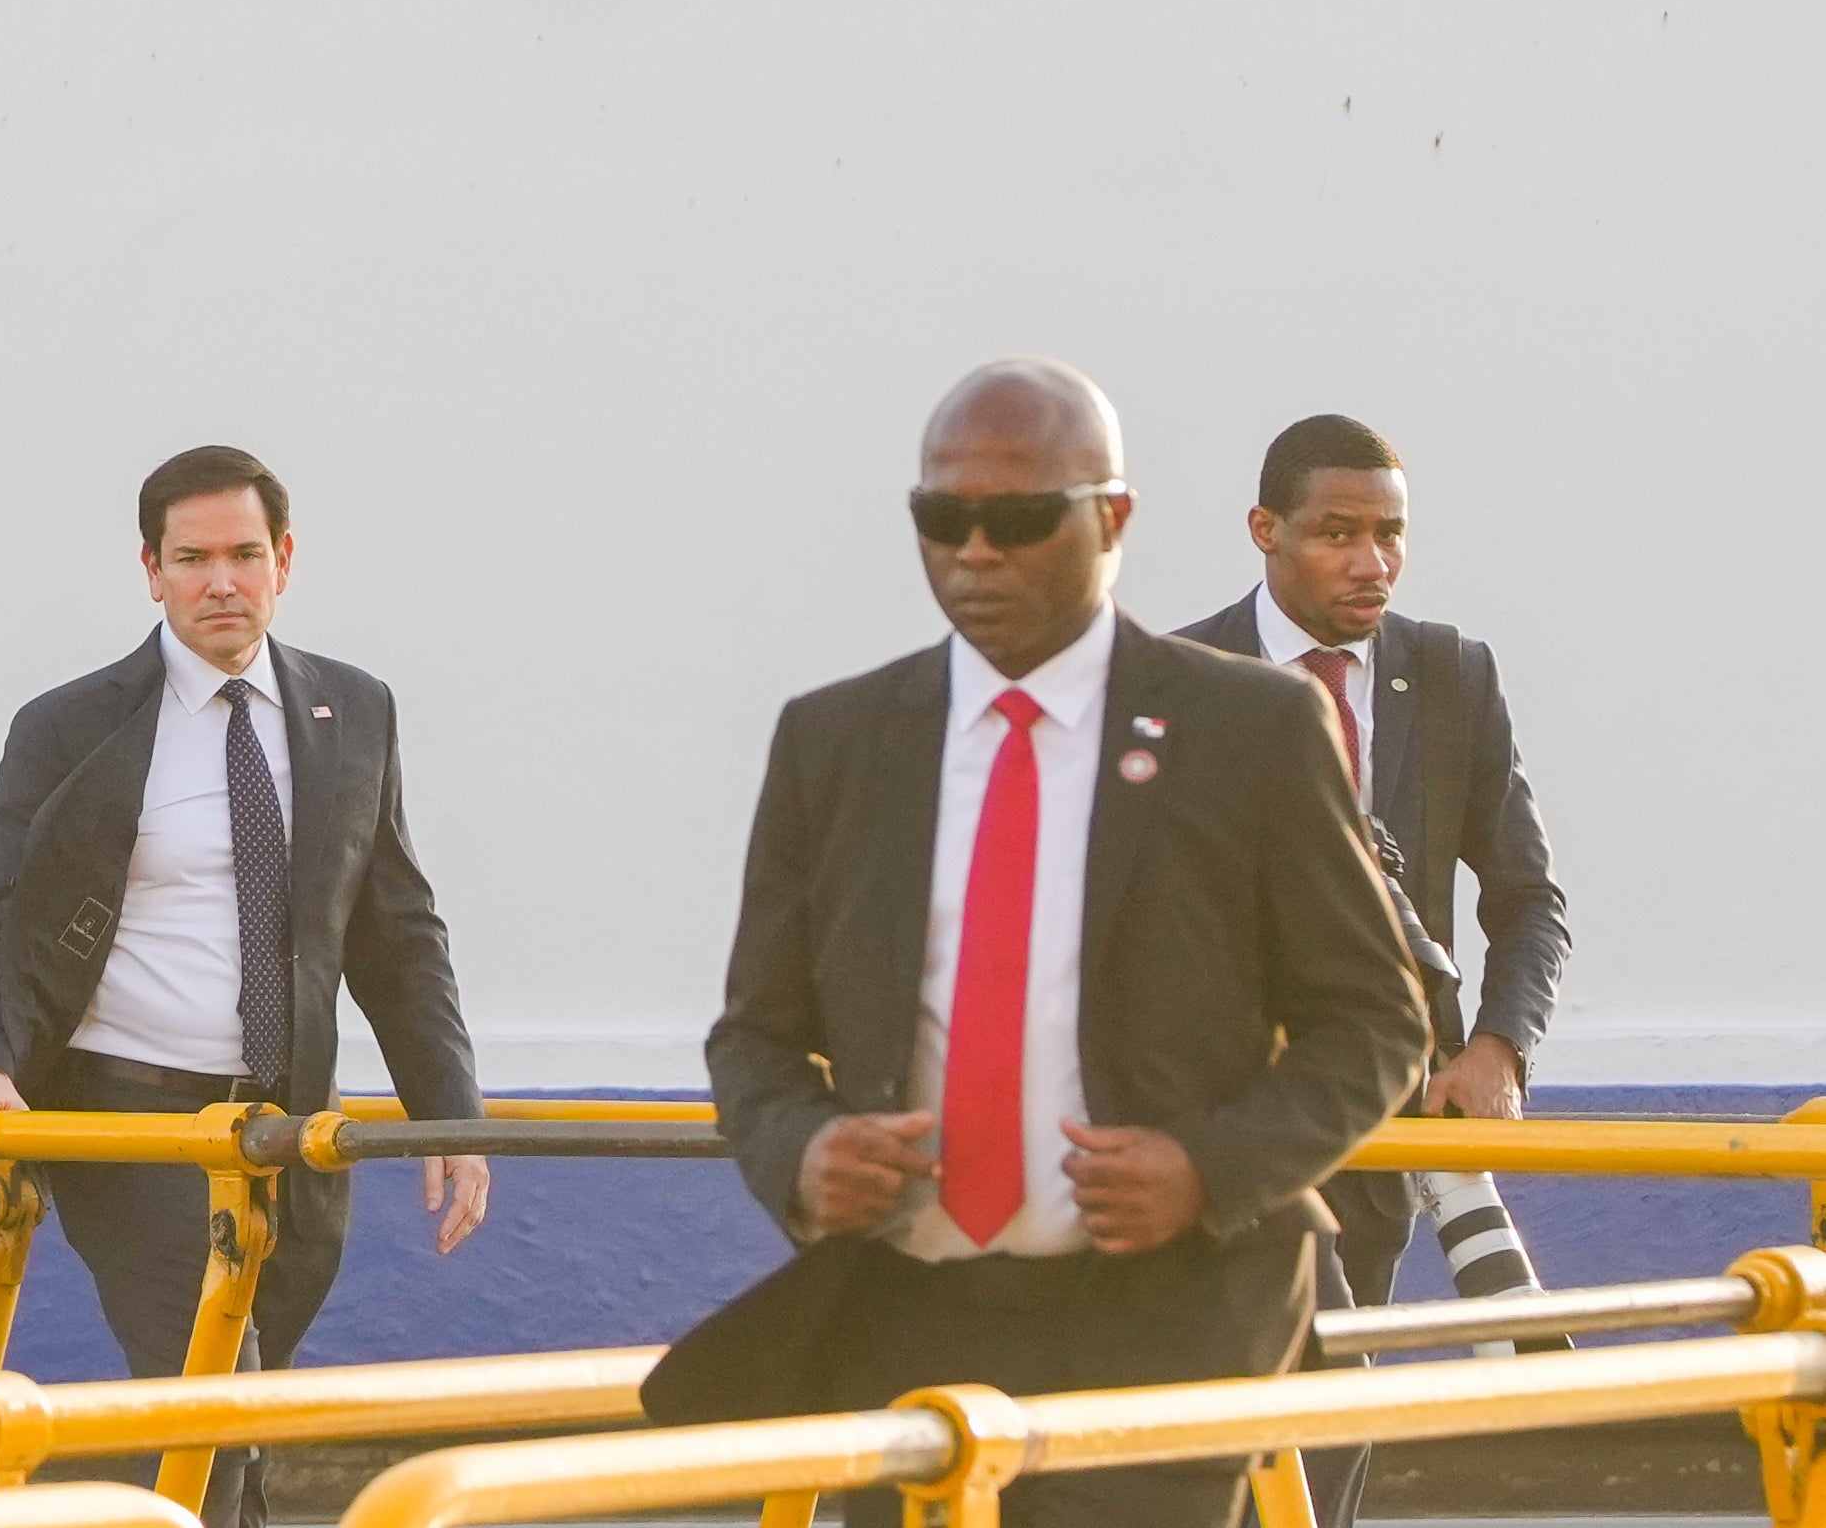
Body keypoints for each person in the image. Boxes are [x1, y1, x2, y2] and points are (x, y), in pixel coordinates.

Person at [658, 359, 1432, 1528]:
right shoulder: (836, 743)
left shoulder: (1251, 730)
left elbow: (1373, 1024)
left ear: (1110, 519)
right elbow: (754, 1039)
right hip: (903, 1315)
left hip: (1167, 1316)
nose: (974, 553)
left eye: (1017, 521)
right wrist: (805, 1156)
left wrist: (1205, 1171)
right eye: (941, 519)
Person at [0, 449, 488, 1528]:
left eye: (243, 554)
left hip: (289, 1120)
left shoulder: (353, 710)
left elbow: (397, 933)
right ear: (150, 570)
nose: (219, 582)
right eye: (191, 559)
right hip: (129, 1116)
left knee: (235, 1412)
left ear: (283, 561)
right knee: (211, 1374)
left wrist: (451, 1114)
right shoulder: (68, 726)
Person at [1184, 416, 1569, 1528]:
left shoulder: (1446, 676)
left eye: (1390, 534)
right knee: (1270, 1391)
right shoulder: (1175, 674)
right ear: (1265, 532)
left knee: (1332, 1409)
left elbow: (1527, 895)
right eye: (1338, 533)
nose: (1372, 562)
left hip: (1383, 1122)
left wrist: (1497, 1047)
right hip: (1220, 1118)